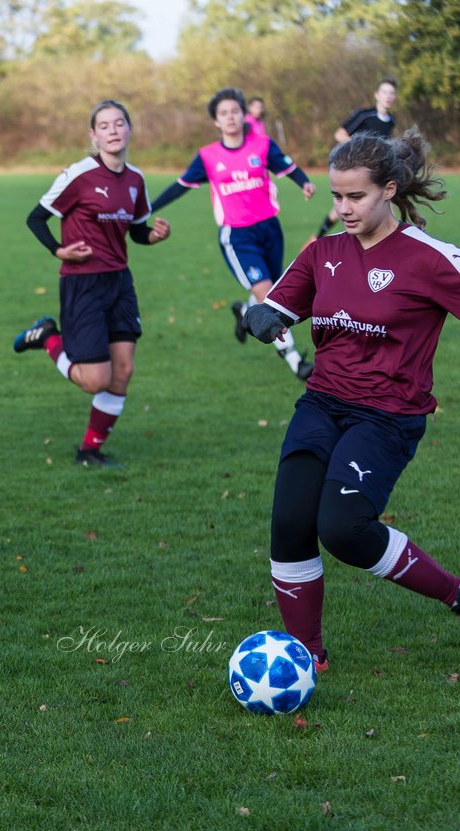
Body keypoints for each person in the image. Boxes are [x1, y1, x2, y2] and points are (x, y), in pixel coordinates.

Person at [242, 128, 459, 671]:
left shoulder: (429, 258)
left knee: (342, 528)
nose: (342, 208)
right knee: (291, 523)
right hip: (322, 404)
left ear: (388, 190)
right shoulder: (324, 252)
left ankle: (456, 594)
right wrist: (262, 318)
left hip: (387, 417)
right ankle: (308, 656)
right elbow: (277, 306)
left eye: (355, 196)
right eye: (336, 196)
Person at [11, 100, 171, 467]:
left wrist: (156, 236)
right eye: (104, 125)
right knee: (95, 380)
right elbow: (35, 218)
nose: (113, 130)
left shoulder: (136, 179)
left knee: (124, 370)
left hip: (120, 283)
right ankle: (48, 336)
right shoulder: (79, 174)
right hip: (82, 283)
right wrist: (59, 250)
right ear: (93, 135)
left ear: (129, 129)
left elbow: (137, 233)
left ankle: (90, 451)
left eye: (119, 123)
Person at [150, 87, 316, 380]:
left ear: (244, 115)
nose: (230, 117)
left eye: (235, 112)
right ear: (216, 120)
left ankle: (244, 313)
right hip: (237, 237)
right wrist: (149, 207)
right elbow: (180, 185)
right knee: (267, 295)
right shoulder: (208, 156)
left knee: (271, 292)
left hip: (269, 229)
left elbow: (287, 166)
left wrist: (304, 183)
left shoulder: (262, 146)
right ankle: (295, 360)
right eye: (223, 113)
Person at [312, 79, 397, 241]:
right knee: (354, 205)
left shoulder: (391, 120)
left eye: (392, 93)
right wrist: (360, 150)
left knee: (383, 203)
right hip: (355, 170)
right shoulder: (364, 115)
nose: (389, 96)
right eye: (385, 92)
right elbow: (339, 134)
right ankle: (317, 239)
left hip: (374, 172)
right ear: (376, 95)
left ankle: (385, 242)